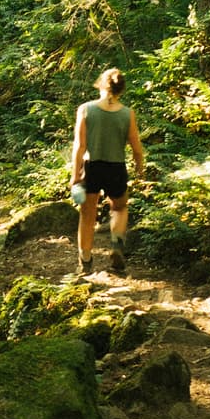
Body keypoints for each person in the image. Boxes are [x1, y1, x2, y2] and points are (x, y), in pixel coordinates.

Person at [67, 67, 145, 275]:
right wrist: (140, 167)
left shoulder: (85, 109)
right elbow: (136, 147)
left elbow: (79, 146)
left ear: (101, 84)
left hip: (92, 166)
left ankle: (85, 259)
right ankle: (117, 245)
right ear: (121, 89)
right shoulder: (127, 113)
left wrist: (75, 175)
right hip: (116, 167)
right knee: (119, 208)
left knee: (87, 213)